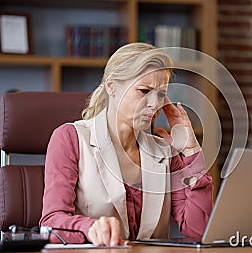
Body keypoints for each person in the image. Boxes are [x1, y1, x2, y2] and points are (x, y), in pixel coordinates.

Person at [39, 42, 213, 246]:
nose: (155, 104)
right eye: (144, 91)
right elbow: (51, 223)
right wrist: (89, 228)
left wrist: (191, 151)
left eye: (160, 94)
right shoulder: (71, 138)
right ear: (111, 86)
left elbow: (198, 231)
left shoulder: (165, 151)